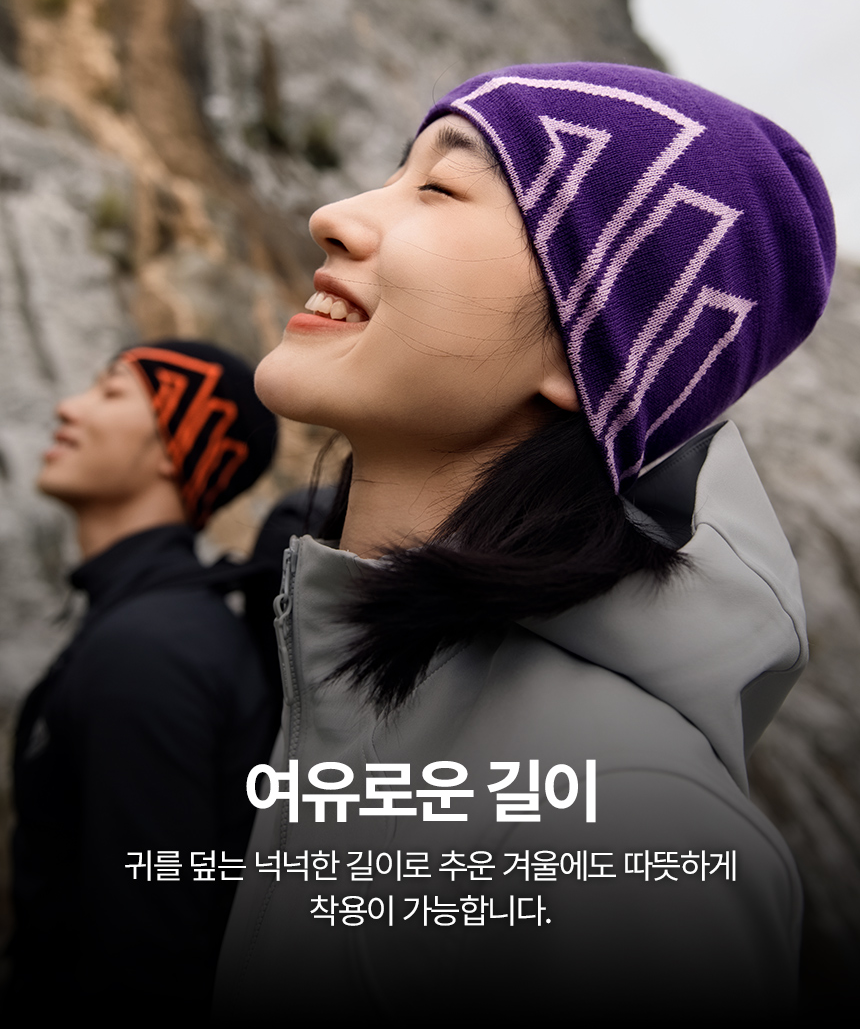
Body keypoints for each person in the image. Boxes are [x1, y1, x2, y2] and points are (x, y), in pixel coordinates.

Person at [214, 62, 835, 1023]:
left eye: (439, 187)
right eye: (394, 173)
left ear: (588, 345)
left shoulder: (628, 823)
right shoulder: (365, 709)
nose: (332, 215)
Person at [8, 339, 281, 1026]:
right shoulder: (154, 624)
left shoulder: (149, 647)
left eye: (110, 392)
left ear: (174, 447)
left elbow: (149, 962)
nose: (68, 409)